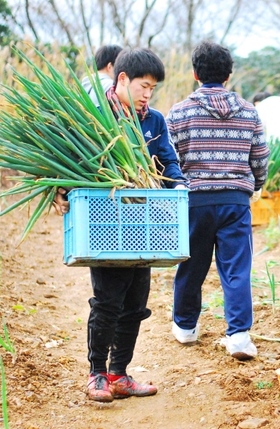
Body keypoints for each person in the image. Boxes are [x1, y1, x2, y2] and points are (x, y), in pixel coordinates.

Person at [55, 48, 188, 403]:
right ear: (122, 79)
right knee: (108, 300)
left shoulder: (154, 121)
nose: (148, 94)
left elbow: (168, 161)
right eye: (144, 86)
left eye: (153, 88)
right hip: (104, 222)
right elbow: (67, 161)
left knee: (135, 302)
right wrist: (61, 189)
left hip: (143, 223)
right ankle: (97, 374)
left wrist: (178, 186)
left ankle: (119, 374)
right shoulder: (95, 118)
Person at [166, 41, 269, 360]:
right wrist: (255, 186)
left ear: (195, 73)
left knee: (191, 265)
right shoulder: (249, 111)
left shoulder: (180, 111)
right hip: (235, 201)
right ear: (229, 75)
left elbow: (170, 157)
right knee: (237, 269)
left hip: (193, 200)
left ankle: (185, 328)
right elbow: (261, 158)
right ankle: (238, 336)